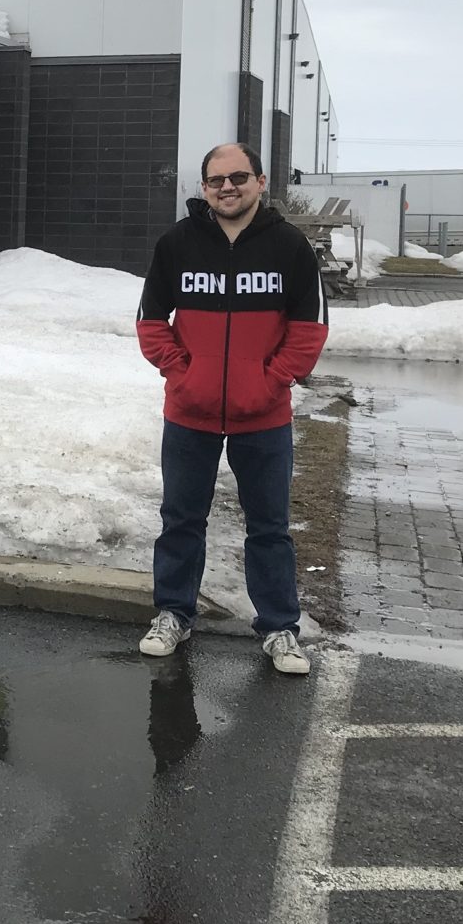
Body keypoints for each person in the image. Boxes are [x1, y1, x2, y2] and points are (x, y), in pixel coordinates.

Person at [135, 142, 328, 674]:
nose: (227, 187)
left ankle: (280, 628)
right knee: (180, 520)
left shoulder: (290, 246)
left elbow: (309, 330)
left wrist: (271, 381)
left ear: (260, 182)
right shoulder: (177, 243)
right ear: (204, 188)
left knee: (269, 527)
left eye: (238, 177)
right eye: (217, 180)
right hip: (189, 415)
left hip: (263, 417)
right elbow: (150, 322)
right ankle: (174, 614)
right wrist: (183, 374)